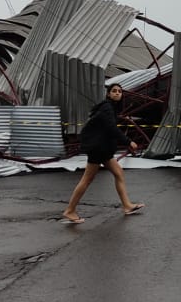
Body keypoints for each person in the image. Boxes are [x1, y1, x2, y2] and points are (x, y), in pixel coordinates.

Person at [61, 83, 144, 223]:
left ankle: (127, 205)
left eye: (119, 91)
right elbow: (111, 128)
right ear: (108, 94)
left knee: (118, 173)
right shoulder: (107, 108)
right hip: (97, 148)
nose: (117, 93)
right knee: (87, 179)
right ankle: (70, 210)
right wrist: (128, 141)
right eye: (114, 91)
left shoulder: (110, 108)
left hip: (102, 148)